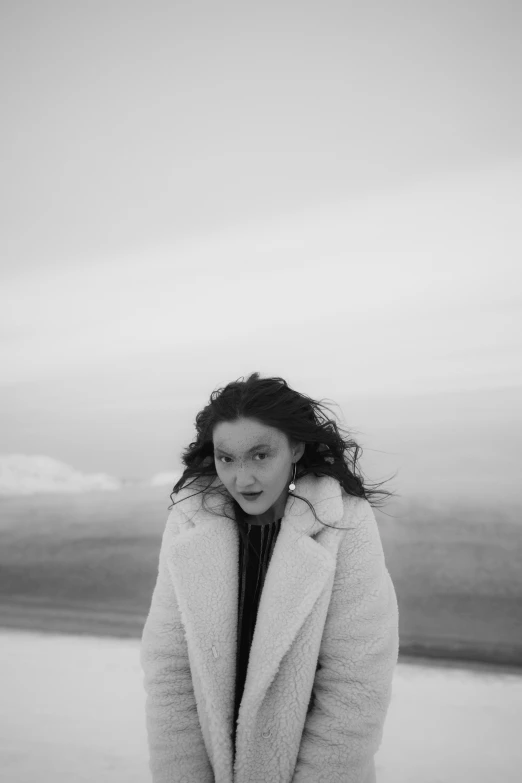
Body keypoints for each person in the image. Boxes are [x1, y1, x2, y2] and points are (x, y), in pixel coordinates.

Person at [140, 372, 399, 783]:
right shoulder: (190, 522)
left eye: (261, 455)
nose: (242, 479)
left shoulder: (344, 522)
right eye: (227, 458)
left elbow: (356, 684)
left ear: (295, 447)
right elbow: (168, 668)